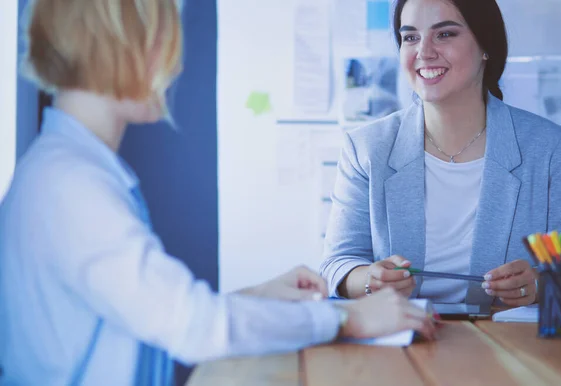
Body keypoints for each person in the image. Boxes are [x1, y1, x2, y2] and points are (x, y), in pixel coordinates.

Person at [0, 1, 436, 385]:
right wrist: (349, 317)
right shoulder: (73, 187)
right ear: (119, 46)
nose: (172, 66)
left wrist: (261, 297)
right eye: (163, 43)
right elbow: (191, 327)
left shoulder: (64, 170)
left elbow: (152, 311)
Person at [320, 0, 561, 307]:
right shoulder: (367, 148)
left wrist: (540, 284)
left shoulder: (550, 148)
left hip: (507, 347)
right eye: (410, 37)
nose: (423, 52)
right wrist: (370, 279)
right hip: (400, 342)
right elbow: (338, 265)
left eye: (445, 34)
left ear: (485, 47)